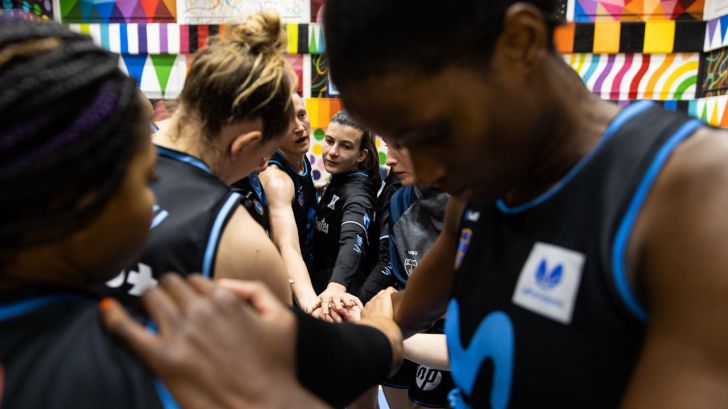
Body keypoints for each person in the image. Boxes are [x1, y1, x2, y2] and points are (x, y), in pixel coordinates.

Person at [322, 0, 728, 407]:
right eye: (400, 143)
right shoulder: (473, 200)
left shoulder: (691, 192)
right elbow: (395, 313)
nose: (425, 173)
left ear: (521, 42)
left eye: (433, 134)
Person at [0, 18, 400, 409]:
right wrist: (379, 338)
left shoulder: (56, 320)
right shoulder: (234, 246)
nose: (159, 186)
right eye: (145, 178)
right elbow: (307, 365)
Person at [101, 12, 292, 304]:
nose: (262, 166)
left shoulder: (94, 162)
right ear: (243, 144)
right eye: (263, 157)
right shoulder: (244, 246)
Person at [374, 140, 453, 409]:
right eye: (387, 146)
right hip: (415, 324)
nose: (389, 160)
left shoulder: (480, 201)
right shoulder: (400, 200)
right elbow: (401, 280)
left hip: (458, 334)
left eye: (399, 146)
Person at [311, 110, 381, 316]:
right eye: (330, 141)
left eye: (345, 146)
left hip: (338, 304)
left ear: (361, 155)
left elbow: (353, 238)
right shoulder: (339, 178)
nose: (333, 151)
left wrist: (337, 285)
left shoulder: (358, 195)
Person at [258, 92, 321, 312]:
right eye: (286, 122)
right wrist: (310, 303)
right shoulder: (277, 181)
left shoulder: (298, 159)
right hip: (292, 289)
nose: (300, 127)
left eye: (302, 115)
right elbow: (287, 246)